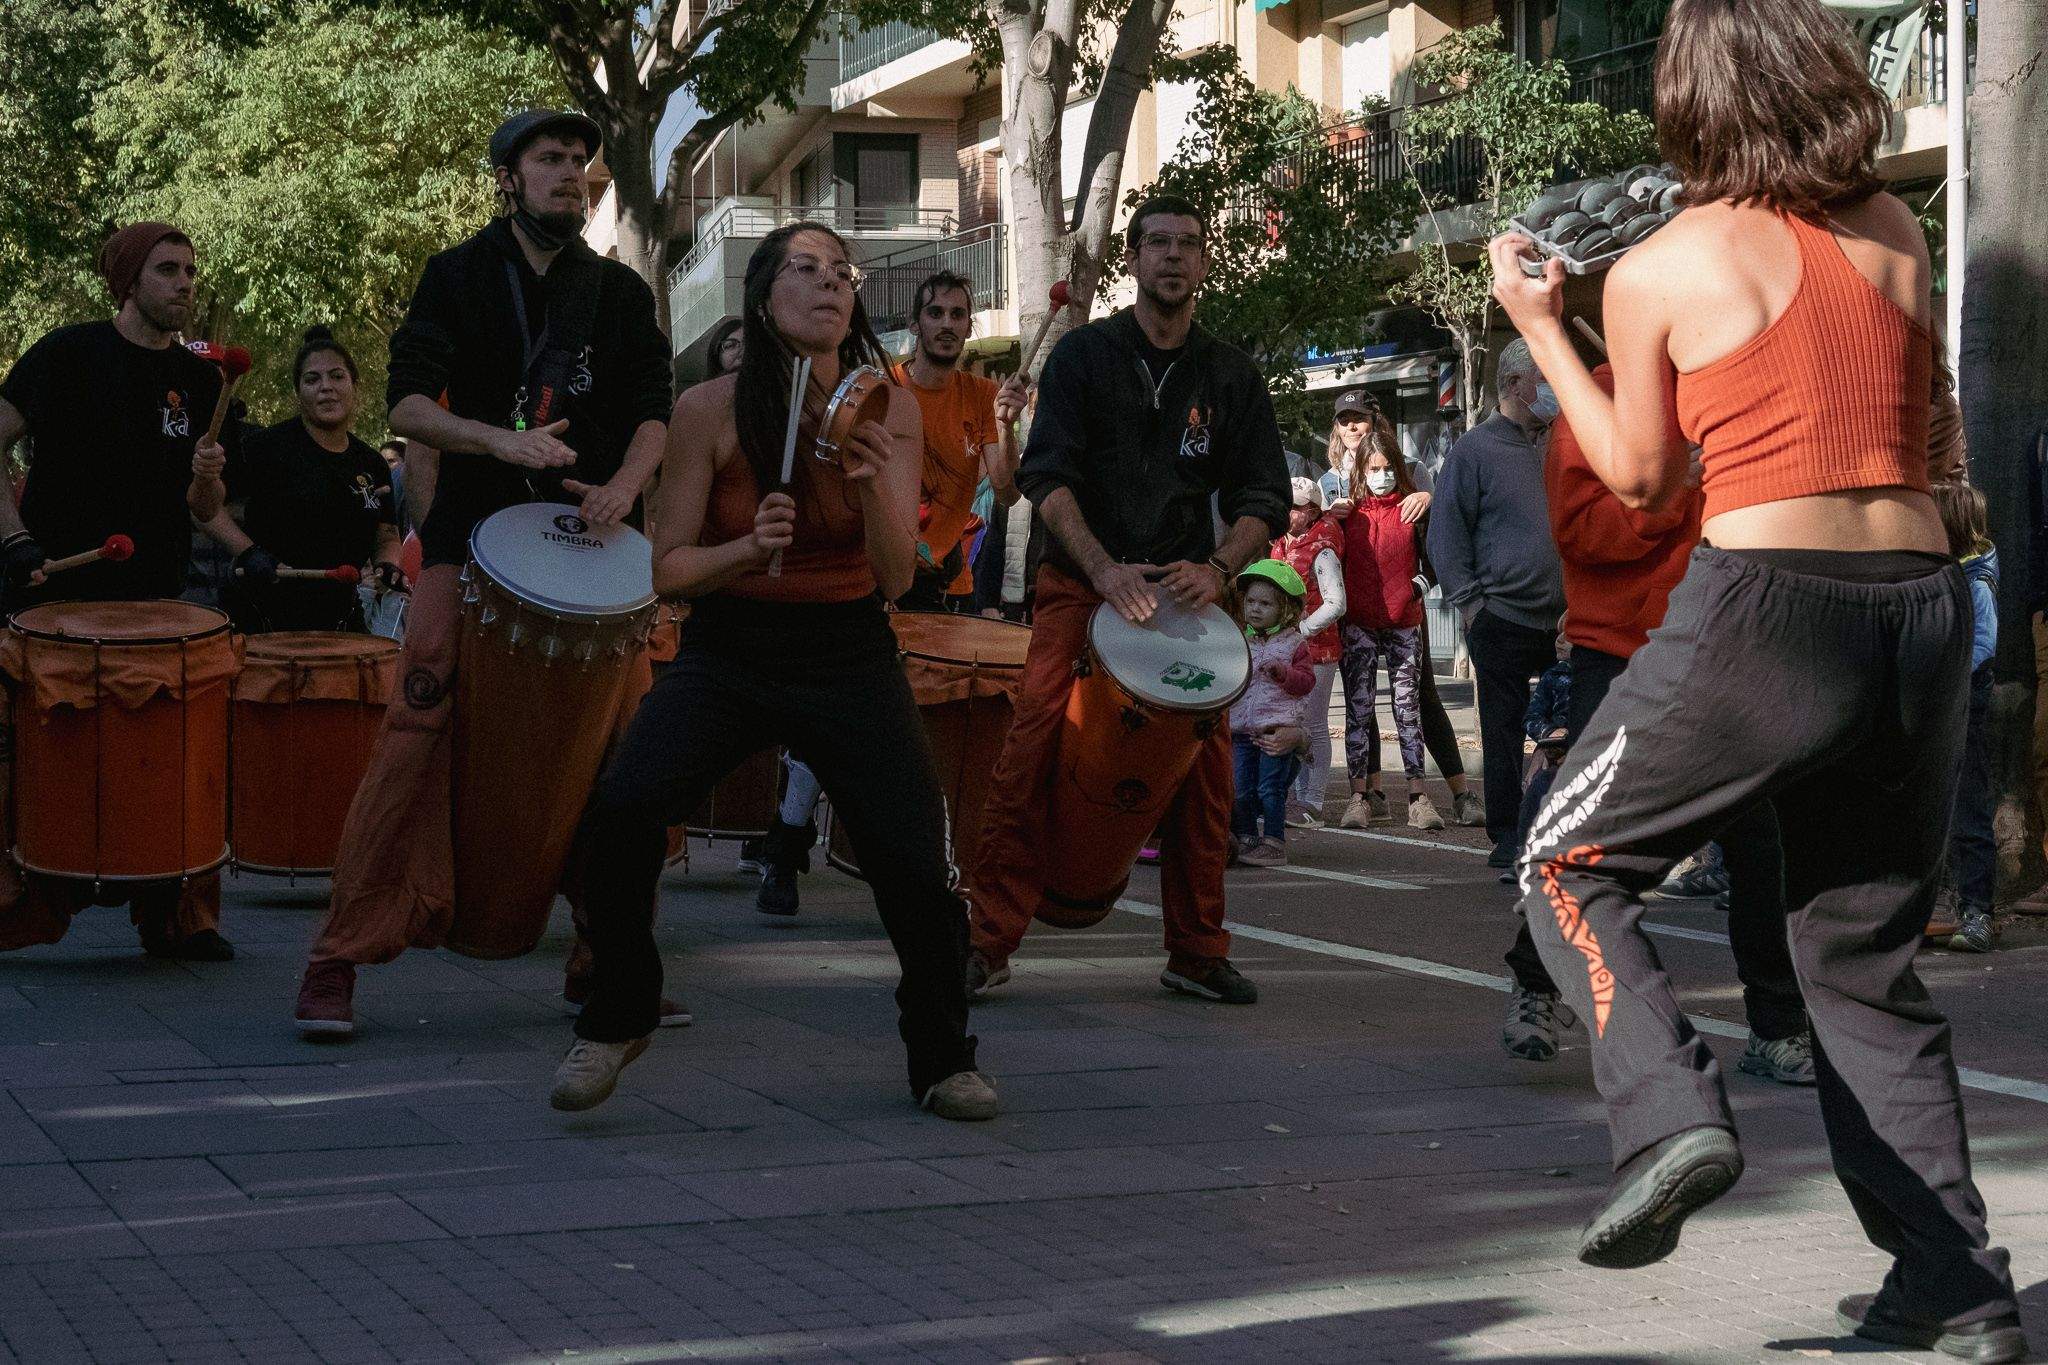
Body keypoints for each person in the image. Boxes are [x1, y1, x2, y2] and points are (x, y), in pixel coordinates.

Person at [1490, 2, 2020, 1354]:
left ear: (1690, 101)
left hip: (1768, 605)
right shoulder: (1892, 229)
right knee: (1860, 963)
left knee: (1565, 861)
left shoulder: (1660, 265)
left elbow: (1639, 479)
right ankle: (1955, 1287)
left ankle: (1667, 1114)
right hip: (1917, 610)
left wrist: (1541, 327)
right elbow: (1920, 420)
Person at [544, 220, 998, 1122]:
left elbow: (897, 576)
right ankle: (621, 1011)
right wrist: (746, 551)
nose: (830, 283)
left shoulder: (890, 405)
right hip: (732, 646)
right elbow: (668, 568)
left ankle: (943, 1056)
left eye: (842, 272)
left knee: (916, 860)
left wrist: (870, 487)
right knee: (623, 809)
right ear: (761, 297)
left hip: (848, 648)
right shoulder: (707, 408)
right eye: (806, 268)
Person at [291, 108, 675, 1037]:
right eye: (550, 159)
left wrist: (626, 484)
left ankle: (606, 958)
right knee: (412, 731)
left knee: (625, 755)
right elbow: (408, 405)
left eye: (579, 160)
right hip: (467, 544)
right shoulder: (456, 275)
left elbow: (653, 411)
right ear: (507, 178)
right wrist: (501, 441)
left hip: (593, 549)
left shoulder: (617, 292)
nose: (571, 173)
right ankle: (338, 956)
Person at [967, 194, 1289, 1006]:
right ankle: (987, 939)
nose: (1173, 256)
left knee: (1207, 780)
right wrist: (1104, 569)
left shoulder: (1231, 374)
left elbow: (1263, 497)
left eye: (1187, 244)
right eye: (1158, 243)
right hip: (1080, 587)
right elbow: (1045, 476)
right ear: (1135, 260)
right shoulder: (1083, 357)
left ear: (1205, 261)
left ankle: (1197, 951)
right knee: (1027, 753)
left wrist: (1219, 569)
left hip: (1187, 598)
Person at [1498, 365, 1814, 1085]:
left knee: (1760, 844)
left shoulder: (1735, 384)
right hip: (1622, 655)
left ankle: (1776, 1026)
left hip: (1726, 648)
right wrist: (1669, 492)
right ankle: (1537, 982)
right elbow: (1581, 536)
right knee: (1587, 837)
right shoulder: (1595, 400)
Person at [0, 221, 235, 961]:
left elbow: (204, 508)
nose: (185, 283)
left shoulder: (202, 382)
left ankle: (179, 915)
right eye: (168, 270)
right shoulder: (65, 354)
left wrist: (207, 479)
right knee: (40, 755)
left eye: (190, 270)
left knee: (169, 753)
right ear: (128, 281)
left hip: (155, 597)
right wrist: (12, 539)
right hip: (55, 590)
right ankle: (21, 899)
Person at [1427, 340, 1566, 865]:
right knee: (1502, 730)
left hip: (1568, 621)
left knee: (1573, 723)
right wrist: (1471, 608)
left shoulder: (1565, 441)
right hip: (1500, 616)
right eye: (1545, 377)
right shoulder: (1474, 450)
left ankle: (1566, 827)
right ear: (1512, 385)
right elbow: (1446, 535)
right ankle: (1509, 835)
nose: (1555, 388)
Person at [1322, 395, 1481, 827]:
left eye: (1359, 419)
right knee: (1360, 706)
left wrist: (1427, 498)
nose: (1352, 428)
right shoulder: (1332, 481)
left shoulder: (1409, 467)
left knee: (1419, 700)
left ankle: (1456, 794)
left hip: (1405, 614)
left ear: (1375, 421)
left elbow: (1437, 528)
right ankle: (1369, 793)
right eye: (1344, 421)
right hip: (1357, 615)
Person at [191, 327, 404, 631]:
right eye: (312, 380)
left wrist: (388, 564)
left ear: (355, 385)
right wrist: (248, 552)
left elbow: (387, 535)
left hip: (342, 619)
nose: (326, 387)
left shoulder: (372, 463)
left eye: (337, 376)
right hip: (263, 621)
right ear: (298, 393)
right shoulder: (263, 448)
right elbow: (205, 511)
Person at [892, 270, 1028, 611]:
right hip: (888, 580)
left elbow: (1007, 493)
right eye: (935, 313)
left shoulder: (983, 395)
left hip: (951, 584)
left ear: (968, 327)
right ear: (914, 324)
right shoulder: (884, 390)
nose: (947, 324)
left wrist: (1006, 426)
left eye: (957, 315)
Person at [1334, 432, 1445, 831]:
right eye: (1373, 469)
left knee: (1408, 710)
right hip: (1358, 625)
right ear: (1361, 472)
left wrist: (1414, 589)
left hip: (1404, 624)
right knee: (1359, 710)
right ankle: (1359, 798)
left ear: (1398, 468)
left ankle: (1418, 798)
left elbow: (1436, 562)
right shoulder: (1348, 515)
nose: (1381, 477)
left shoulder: (1413, 509)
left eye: (1387, 469)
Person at [1935, 481, 1999, 955]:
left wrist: (1949, 676)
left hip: (1965, 704)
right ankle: (1939, 907)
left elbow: (1983, 644)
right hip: (1940, 702)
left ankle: (1978, 912)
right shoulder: (1948, 573)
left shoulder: (1976, 580)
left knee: (1970, 807)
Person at [1230, 560, 1315, 867]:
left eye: (1265, 604)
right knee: (1240, 789)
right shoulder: (1241, 640)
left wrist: (1284, 674)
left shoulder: (1294, 644)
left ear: (1286, 610)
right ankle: (1247, 837)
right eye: (1251, 602)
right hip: (1242, 729)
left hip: (1276, 729)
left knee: (1270, 789)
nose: (1255, 609)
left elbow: (1306, 682)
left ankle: (1274, 842)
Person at [1273, 477, 1346, 824]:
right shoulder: (1278, 544)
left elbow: (1336, 603)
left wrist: (1301, 630)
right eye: (1287, 505)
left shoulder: (1323, 550)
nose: (1289, 512)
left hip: (1317, 651)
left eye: (1297, 506)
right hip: (1285, 649)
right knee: (1287, 719)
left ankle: (1312, 801)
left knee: (1313, 724)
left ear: (1313, 511)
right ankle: (1290, 797)